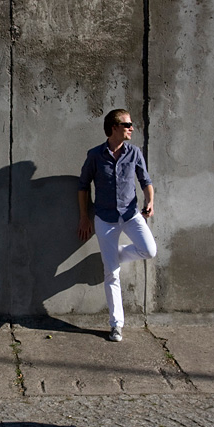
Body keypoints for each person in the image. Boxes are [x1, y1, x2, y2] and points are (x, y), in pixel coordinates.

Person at [77, 109, 157, 341]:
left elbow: (146, 181)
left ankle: (113, 254)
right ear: (114, 127)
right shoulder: (94, 155)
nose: (132, 128)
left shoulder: (134, 153)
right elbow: (83, 186)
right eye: (127, 124)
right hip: (105, 218)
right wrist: (84, 217)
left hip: (132, 214)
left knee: (149, 250)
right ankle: (116, 325)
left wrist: (150, 200)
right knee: (111, 273)